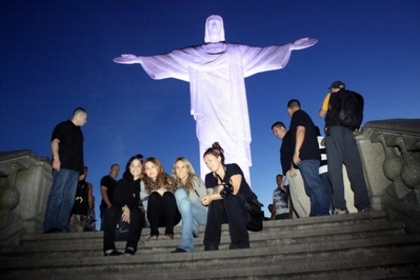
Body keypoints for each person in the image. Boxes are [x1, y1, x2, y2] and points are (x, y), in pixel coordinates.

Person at [113, 15, 318, 185]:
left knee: (234, 149)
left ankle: (240, 192)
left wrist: (289, 47)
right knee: (209, 149)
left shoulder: (235, 51)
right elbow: (170, 59)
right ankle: (213, 192)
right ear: (205, 29)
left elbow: (262, 54)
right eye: (209, 23)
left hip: (231, 111)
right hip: (208, 111)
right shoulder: (195, 54)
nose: (213, 26)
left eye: (216, 24)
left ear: (221, 29)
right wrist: (141, 59)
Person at [318, 81, 371, 214]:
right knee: (356, 170)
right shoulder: (354, 97)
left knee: (335, 170)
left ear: (335, 88)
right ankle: (364, 205)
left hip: (334, 131)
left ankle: (340, 207)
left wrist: (325, 107)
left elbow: (321, 114)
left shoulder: (330, 96)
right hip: (349, 132)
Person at [201, 142, 255, 251]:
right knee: (215, 201)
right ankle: (211, 242)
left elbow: (234, 190)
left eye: (210, 161)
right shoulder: (209, 177)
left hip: (245, 209)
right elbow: (211, 195)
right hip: (225, 213)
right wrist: (211, 197)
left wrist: (215, 195)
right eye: (206, 163)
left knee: (230, 198)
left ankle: (240, 242)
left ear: (219, 158)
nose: (208, 165)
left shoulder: (232, 168)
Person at [44, 107, 87, 233]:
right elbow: (54, 142)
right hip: (63, 166)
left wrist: (81, 169)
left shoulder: (80, 133)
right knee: (57, 195)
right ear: (79, 116)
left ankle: (62, 226)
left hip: (75, 171)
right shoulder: (63, 126)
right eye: (85, 118)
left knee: (69, 199)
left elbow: (79, 152)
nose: (86, 121)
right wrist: (56, 159)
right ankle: (50, 225)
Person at [286, 99, 329, 217]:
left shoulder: (297, 115)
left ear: (289, 109)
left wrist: (296, 151)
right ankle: (316, 213)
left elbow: (300, 130)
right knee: (311, 187)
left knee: (314, 185)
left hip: (306, 156)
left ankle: (322, 212)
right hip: (310, 156)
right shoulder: (304, 115)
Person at [103, 154, 145, 256]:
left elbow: (140, 202)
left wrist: (130, 211)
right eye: (133, 165)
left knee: (136, 212)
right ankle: (108, 248)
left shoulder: (144, 184)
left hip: (137, 213)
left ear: (142, 168)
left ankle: (131, 247)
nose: (135, 168)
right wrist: (125, 208)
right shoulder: (122, 182)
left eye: (138, 165)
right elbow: (116, 199)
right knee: (112, 210)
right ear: (128, 167)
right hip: (121, 210)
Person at [271, 121, 310, 218]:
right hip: (289, 173)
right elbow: (286, 158)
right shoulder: (284, 142)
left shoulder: (291, 137)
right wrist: (284, 177)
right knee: (296, 201)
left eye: (276, 131)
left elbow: (296, 152)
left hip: (295, 170)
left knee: (302, 197)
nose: (275, 134)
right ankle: (304, 220)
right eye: (274, 133)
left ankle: (311, 218)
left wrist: (293, 166)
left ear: (282, 128)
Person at [171, 157, 209, 253]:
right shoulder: (175, 186)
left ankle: (186, 245)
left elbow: (204, 200)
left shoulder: (195, 179)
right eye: (177, 167)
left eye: (183, 167)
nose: (179, 170)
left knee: (184, 200)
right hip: (189, 220)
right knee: (179, 193)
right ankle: (191, 228)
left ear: (188, 168)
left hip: (202, 214)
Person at [140, 157, 181, 240]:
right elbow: (144, 204)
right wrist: (157, 192)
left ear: (158, 167)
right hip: (155, 218)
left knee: (167, 195)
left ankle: (169, 232)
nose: (150, 170)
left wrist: (164, 191)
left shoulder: (169, 180)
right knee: (154, 196)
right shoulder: (143, 183)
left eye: (153, 167)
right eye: (147, 168)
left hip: (172, 217)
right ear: (145, 171)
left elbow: (176, 199)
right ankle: (154, 232)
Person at [69, 166, 93, 232]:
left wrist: (91, 211)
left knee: (79, 231)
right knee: (70, 231)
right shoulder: (72, 183)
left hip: (82, 212)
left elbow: (90, 199)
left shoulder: (88, 185)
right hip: (72, 211)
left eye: (85, 172)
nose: (83, 173)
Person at [99, 164, 120, 231]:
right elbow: (103, 191)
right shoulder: (106, 179)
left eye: (118, 170)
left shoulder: (117, 183)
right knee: (105, 228)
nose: (116, 171)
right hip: (106, 208)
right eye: (115, 169)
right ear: (110, 170)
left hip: (116, 210)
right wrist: (109, 205)